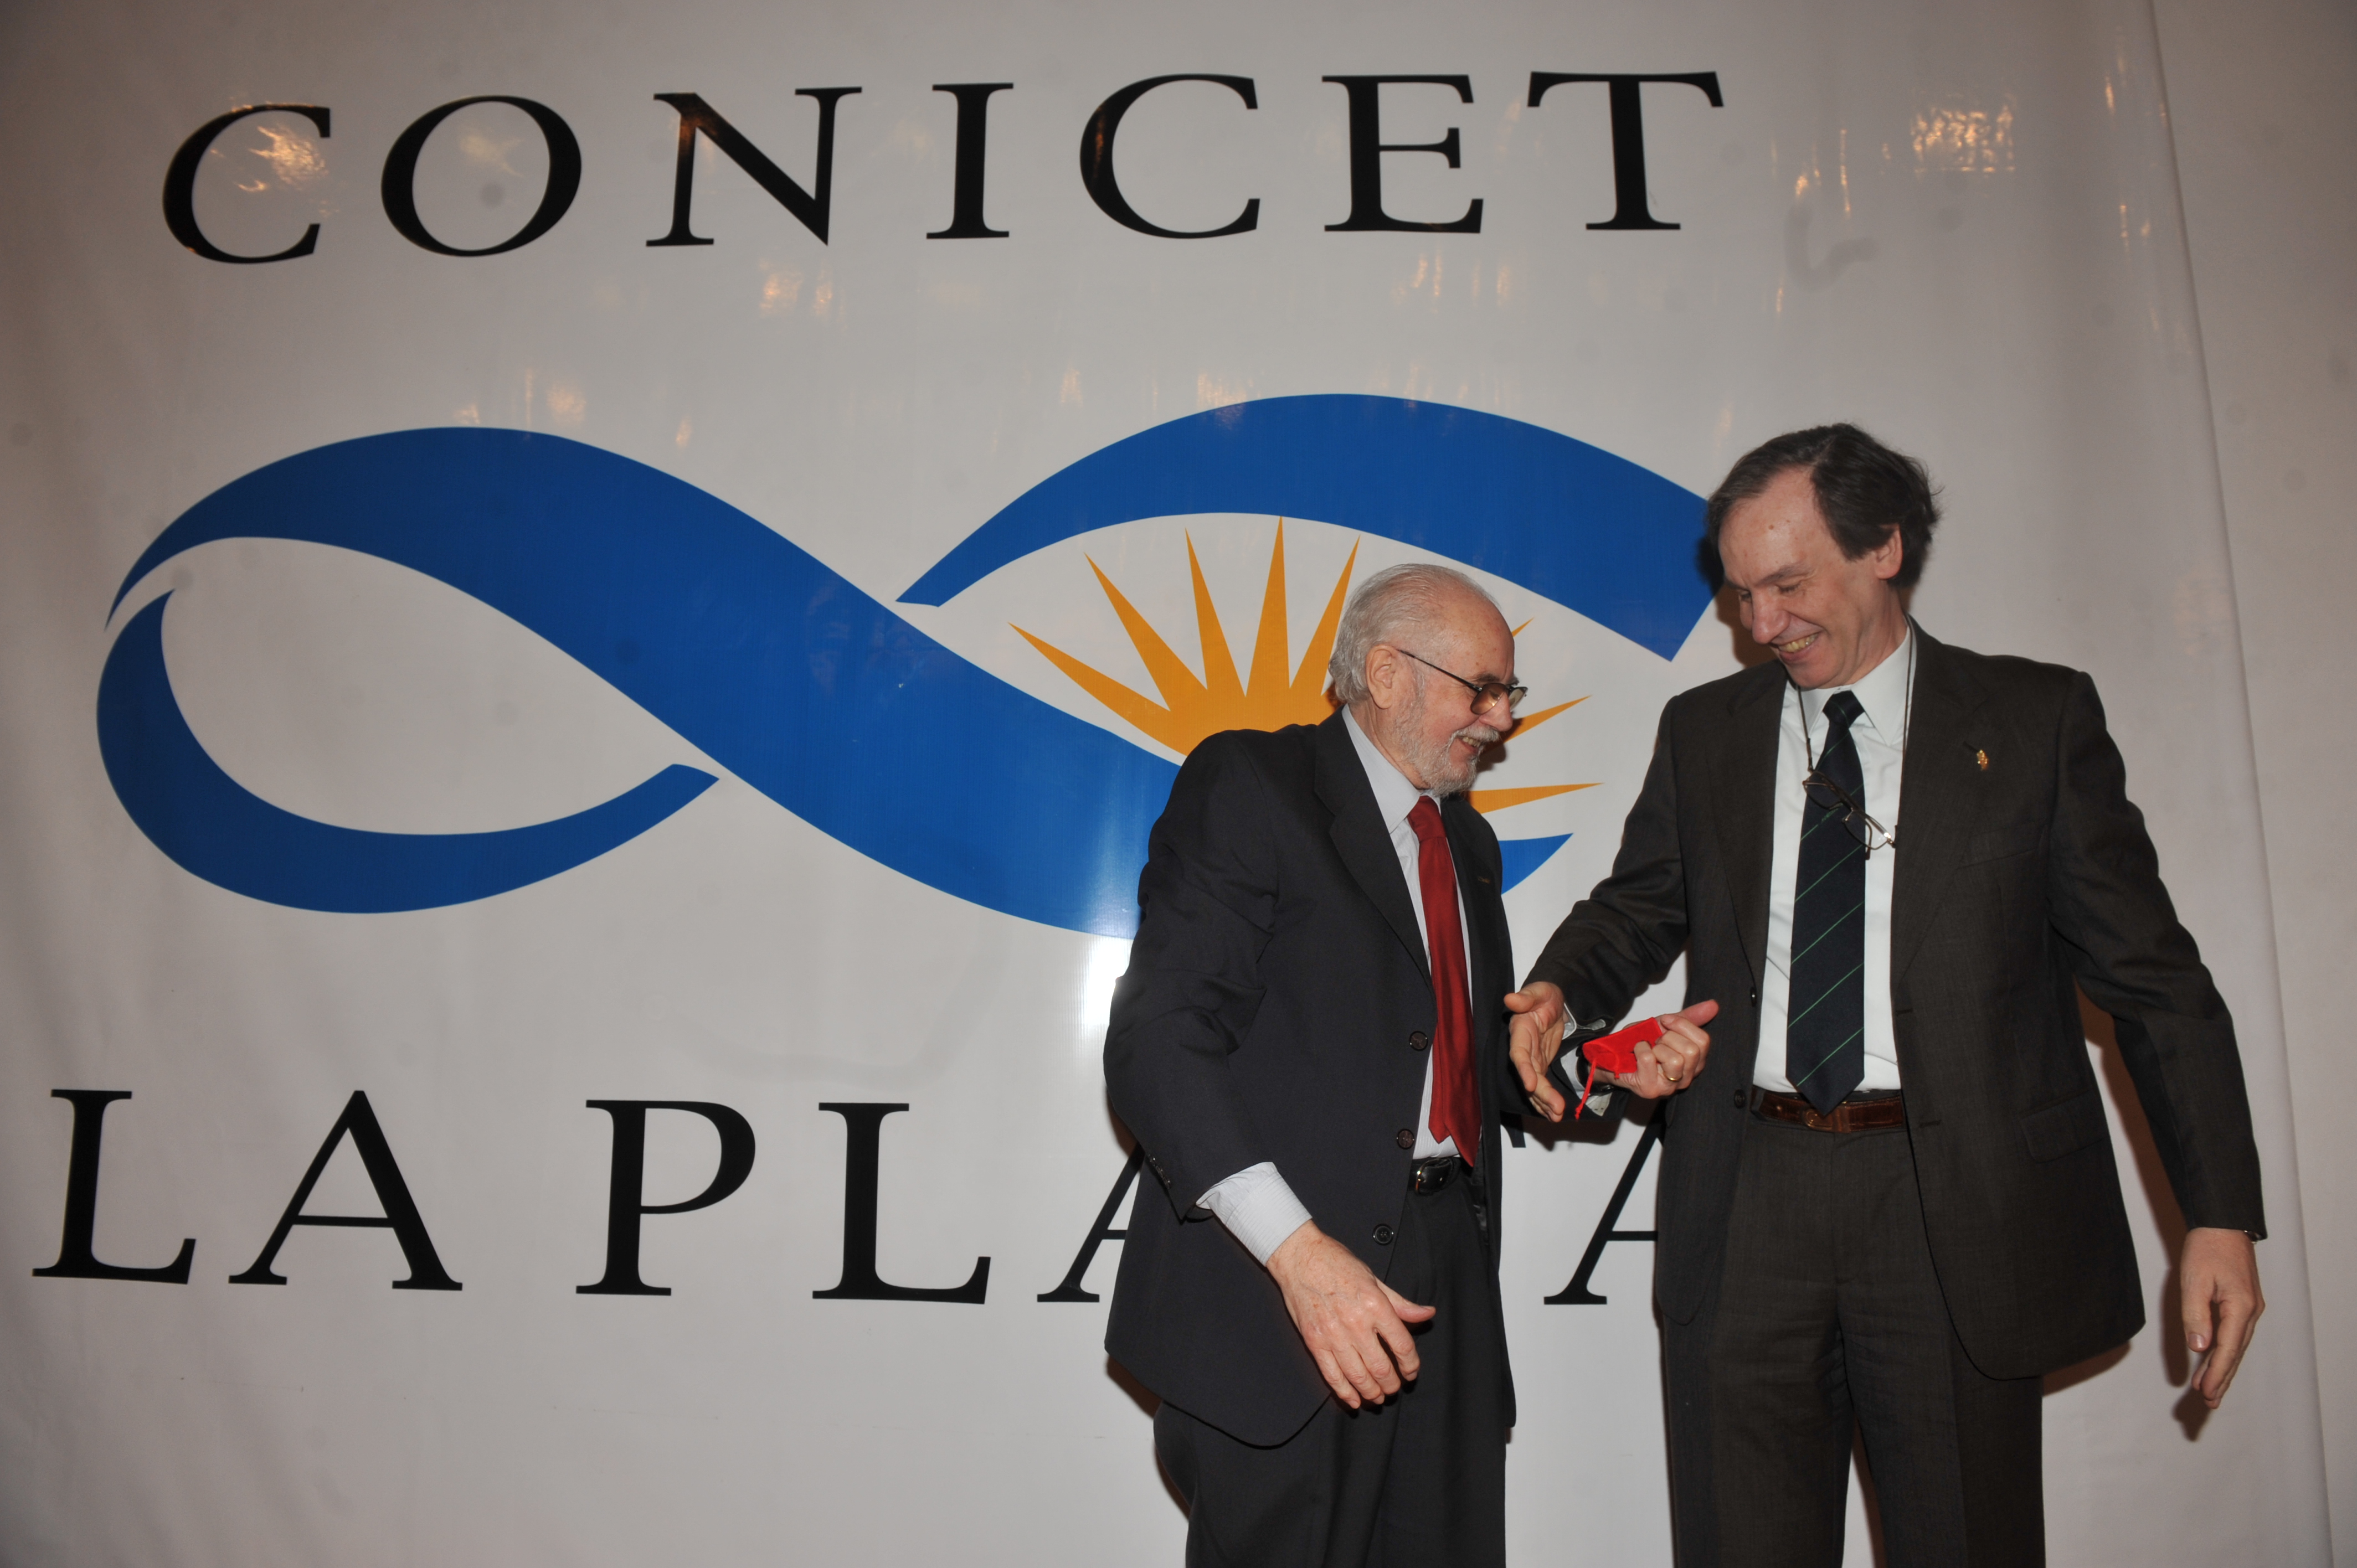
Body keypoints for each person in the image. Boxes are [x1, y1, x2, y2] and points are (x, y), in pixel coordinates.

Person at [1509, 424, 2268, 1566]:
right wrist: (1561, 990)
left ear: (1884, 549)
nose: (1761, 624)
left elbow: (2156, 984)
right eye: (1740, 594)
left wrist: (2217, 1215)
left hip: (1952, 1209)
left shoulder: (2033, 723)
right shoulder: (1705, 732)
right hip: (1745, 1201)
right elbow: (1640, 906)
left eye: (1786, 584)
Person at [1104, 561, 1715, 1567]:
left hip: (1448, 1284)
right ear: (1388, 673)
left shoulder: (1466, 843)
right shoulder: (1253, 784)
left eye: (1509, 691)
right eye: (1485, 688)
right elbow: (1159, 1040)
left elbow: (1469, 1072)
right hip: (1278, 1287)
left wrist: (1604, 1067)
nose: (1503, 719)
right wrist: (1299, 1256)